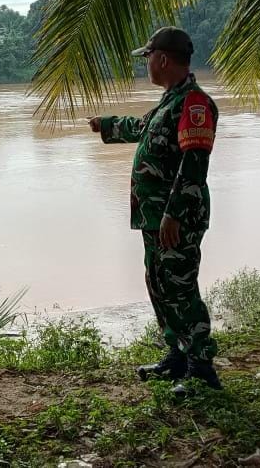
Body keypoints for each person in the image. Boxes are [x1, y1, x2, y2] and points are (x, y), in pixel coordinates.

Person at [88, 27, 221, 394]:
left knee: (180, 288)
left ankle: (202, 371)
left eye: (148, 57)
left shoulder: (194, 104)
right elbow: (142, 128)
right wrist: (107, 125)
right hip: (155, 218)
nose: (146, 64)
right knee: (159, 284)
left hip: (176, 219)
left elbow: (195, 162)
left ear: (162, 59)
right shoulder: (170, 101)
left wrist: (173, 214)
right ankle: (176, 357)